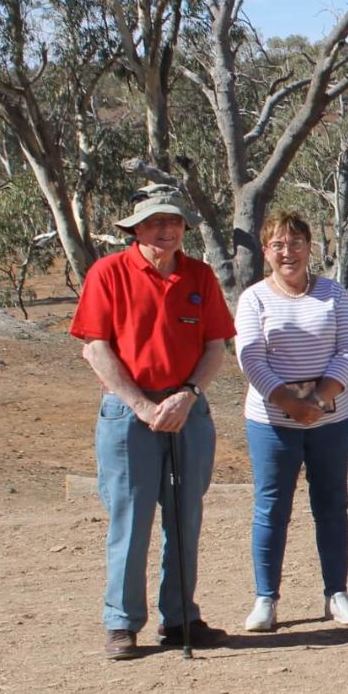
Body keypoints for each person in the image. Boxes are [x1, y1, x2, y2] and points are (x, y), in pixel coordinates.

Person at [71, 184, 235, 658]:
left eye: (174, 222)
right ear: (136, 229)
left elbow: (214, 346)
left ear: (185, 229)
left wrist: (188, 395)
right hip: (128, 411)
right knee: (132, 517)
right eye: (155, 223)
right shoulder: (108, 273)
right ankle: (122, 623)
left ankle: (180, 616)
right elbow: (95, 347)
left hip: (188, 408)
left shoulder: (199, 276)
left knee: (186, 515)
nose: (165, 230)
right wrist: (142, 406)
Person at [235, 210, 348, 632]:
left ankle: (337, 594)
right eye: (278, 245)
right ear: (266, 251)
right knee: (272, 507)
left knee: (332, 505)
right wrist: (288, 403)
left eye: (295, 243)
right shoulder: (254, 298)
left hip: (330, 420)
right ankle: (266, 599)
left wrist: (321, 396)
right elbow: (250, 356)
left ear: (310, 247)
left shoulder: (332, 294)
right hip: (272, 422)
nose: (287, 252)